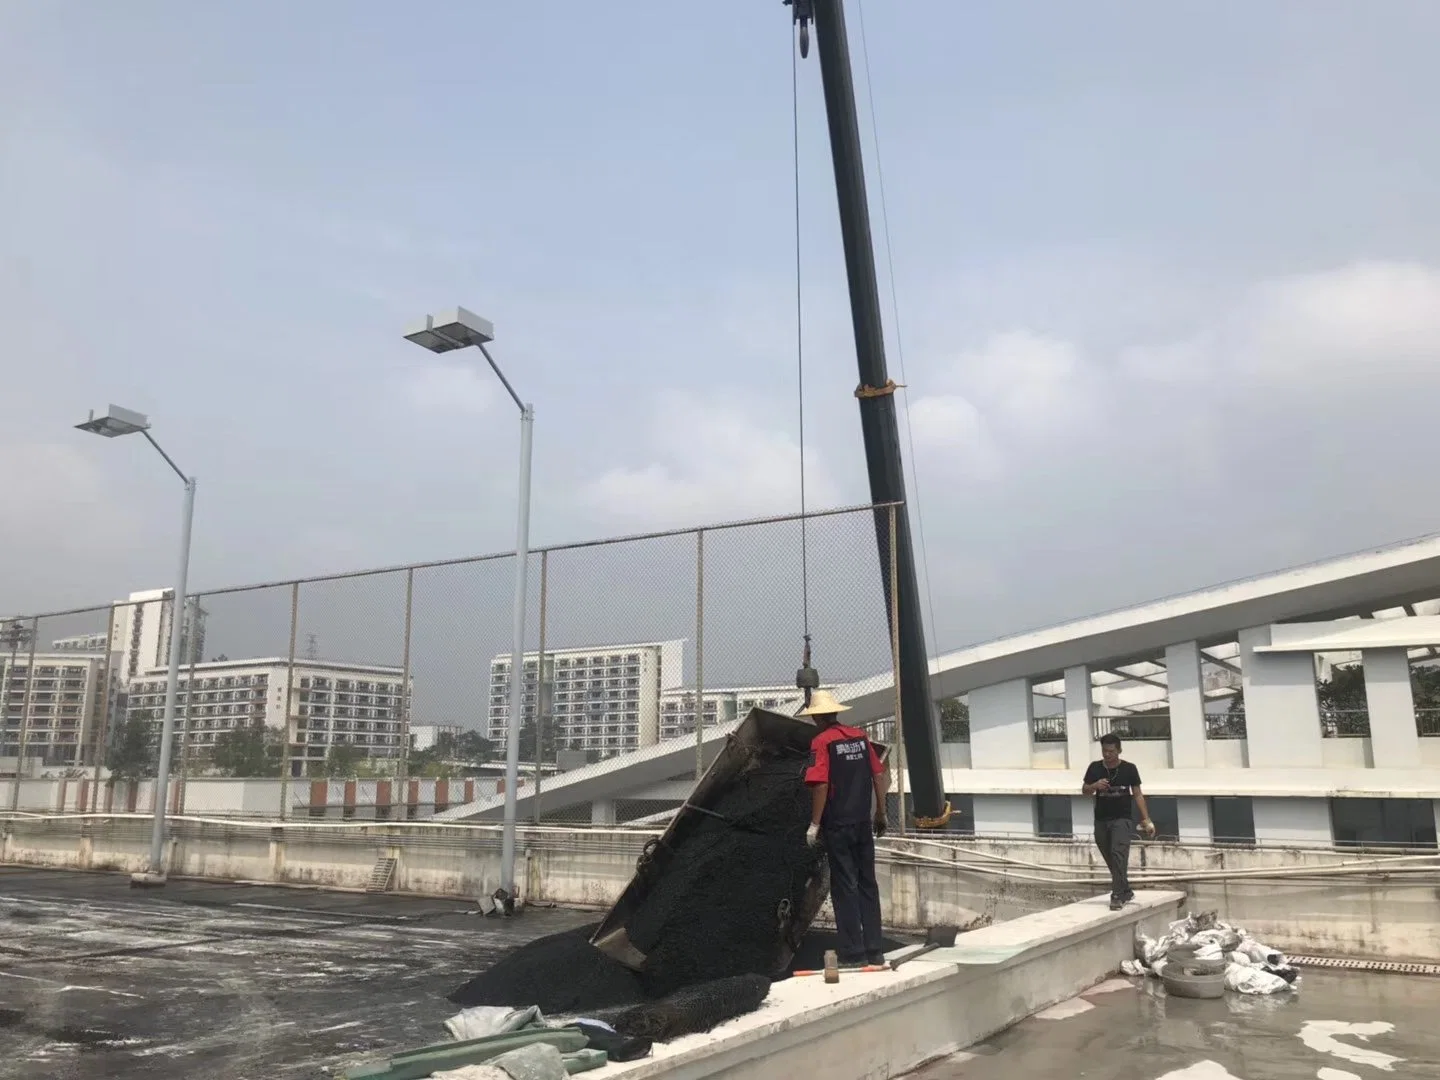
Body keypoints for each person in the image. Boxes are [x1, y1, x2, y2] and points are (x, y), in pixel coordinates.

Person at [800, 689, 890, 966]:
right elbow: (879, 773)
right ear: (835, 712)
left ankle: (853, 952)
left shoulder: (821, 742)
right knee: (867, 884)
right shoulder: (860, 738)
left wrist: (814, 824)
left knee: (845, 886)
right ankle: (875, 949)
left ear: (817, 717)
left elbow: (821, 784)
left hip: (838, 825)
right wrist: (881, 812)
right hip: (864, 822)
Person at [1082, 732, 1156, 910]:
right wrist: (1094, 786)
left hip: (1122, 819)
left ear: (1119, 750)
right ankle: (1125, 890)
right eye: (1105, 751)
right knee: (1110, 857)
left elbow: (1137, 794)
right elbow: (1084, 790)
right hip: (1101, 819)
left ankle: (1116, 895)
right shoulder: (1095, 768)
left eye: (1111, 751)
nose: (1107, 754)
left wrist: (1147, 819)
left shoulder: (1129, 769)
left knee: (1118, 854)